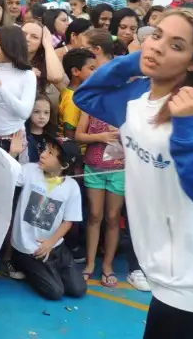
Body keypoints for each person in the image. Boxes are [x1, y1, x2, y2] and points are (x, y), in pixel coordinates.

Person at [74, 9, 193, 339]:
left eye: (176, 45)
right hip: (156, 258)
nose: (158, 46)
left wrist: (187, 127)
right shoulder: (136, 96)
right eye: (156, 36)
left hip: (192, 268)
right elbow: (85, 95)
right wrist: (136, 61)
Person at [75, 33, 125, 287]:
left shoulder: (128, 106)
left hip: (120, 168)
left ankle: (107, 265)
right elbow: (78, 135)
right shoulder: (91, 102)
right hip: (94, 166)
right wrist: (101, 136)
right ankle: (90, 263)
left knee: (113, 217)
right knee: (94, 215)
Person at [9, 137, 87, 300]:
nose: (43, 154)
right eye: (45, 149)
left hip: (55, 246)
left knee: (78, 289)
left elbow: (68, 221)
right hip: (29, 249)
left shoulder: (72, 187)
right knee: (55, 292)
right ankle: (20, 263)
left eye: (50, 153)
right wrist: (12, 155)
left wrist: (50, 243)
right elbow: (5, 177)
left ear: (64, 165)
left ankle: (50, 268)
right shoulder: (29, 171)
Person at [0, 25, 37, 155]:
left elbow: (24, 112)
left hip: (16, 141)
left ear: (12, 44)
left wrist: (0, 88)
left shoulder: (28, 75)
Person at [59, 49, 97, 140]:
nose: (96, 72)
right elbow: (69, 135)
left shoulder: (76, 93)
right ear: (75, 71)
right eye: (92, 69)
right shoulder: (72, 99)